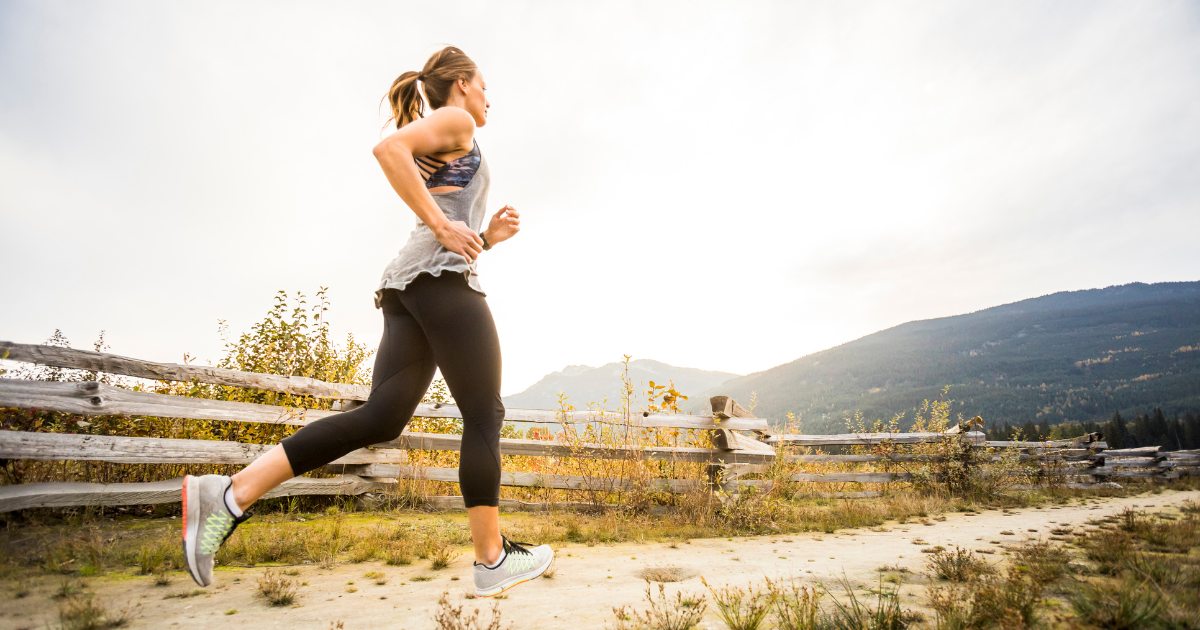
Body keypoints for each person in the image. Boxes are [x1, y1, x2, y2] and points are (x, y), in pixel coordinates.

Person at [180, 45, 554, 598]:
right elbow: (387, 150)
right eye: (483, 86)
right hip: (437, 283)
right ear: (462, 86)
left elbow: (444, 224)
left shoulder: (449, 130)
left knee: (381, 418)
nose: (488, 98)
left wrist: (483, 239)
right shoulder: (454, 118)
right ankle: (492, 559)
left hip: (411, 285)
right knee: (483, 413)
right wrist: (445, 227)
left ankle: (230, 494)